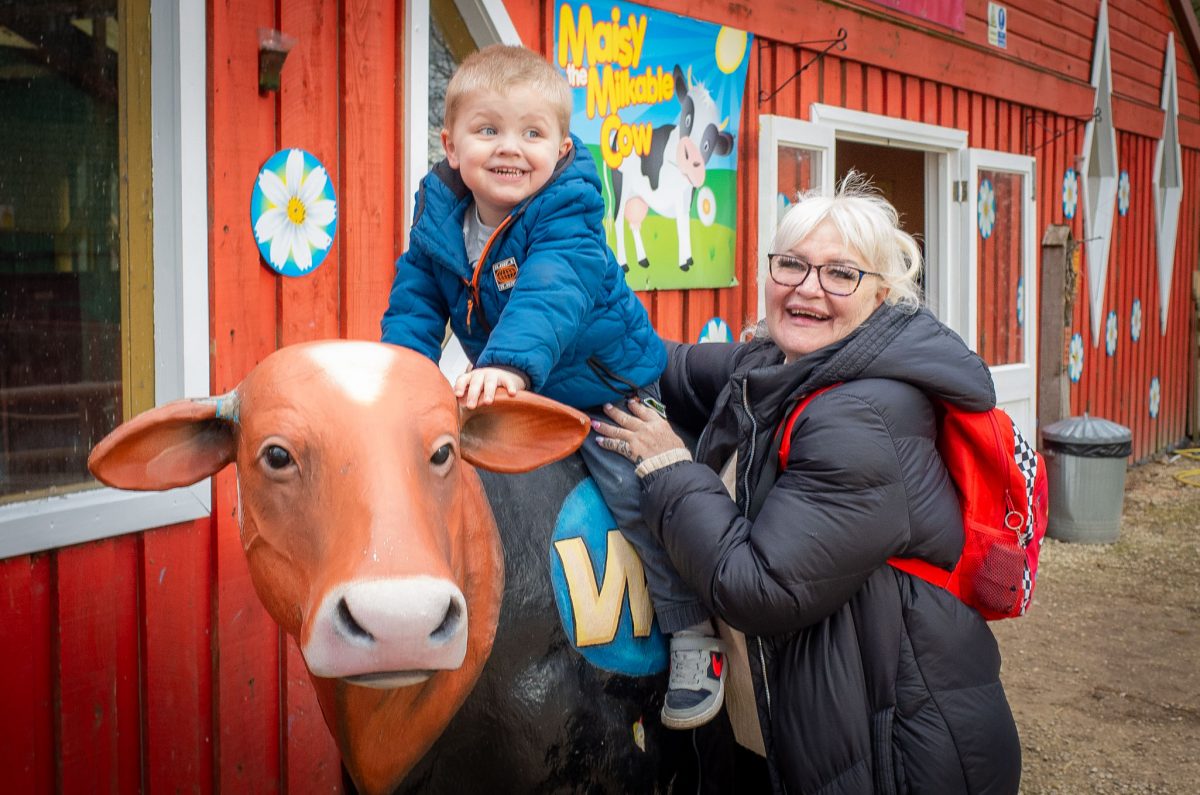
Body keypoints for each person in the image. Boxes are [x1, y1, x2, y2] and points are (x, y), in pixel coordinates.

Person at [593, 173, 1022, 793]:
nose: (807, 289)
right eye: (791, 265)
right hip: (798, 729)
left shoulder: (866, 417)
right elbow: (666, 365)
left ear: (881, 296)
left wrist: (670, 467)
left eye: (840, 274)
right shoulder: (772, 365)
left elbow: (759, 587)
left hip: (888, 751)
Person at [379, 44, 726, 729]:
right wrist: (401, 373)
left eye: (532, 134)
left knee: (636, 488)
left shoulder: (567, 210)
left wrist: (508, 362)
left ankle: (693, 632)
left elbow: (552, 291)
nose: (511, 149)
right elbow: (416, 298)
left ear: (562, 147)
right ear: (450, 146)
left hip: (606, 386)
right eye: (488, 131)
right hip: (524, 387)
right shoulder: (439, 219)